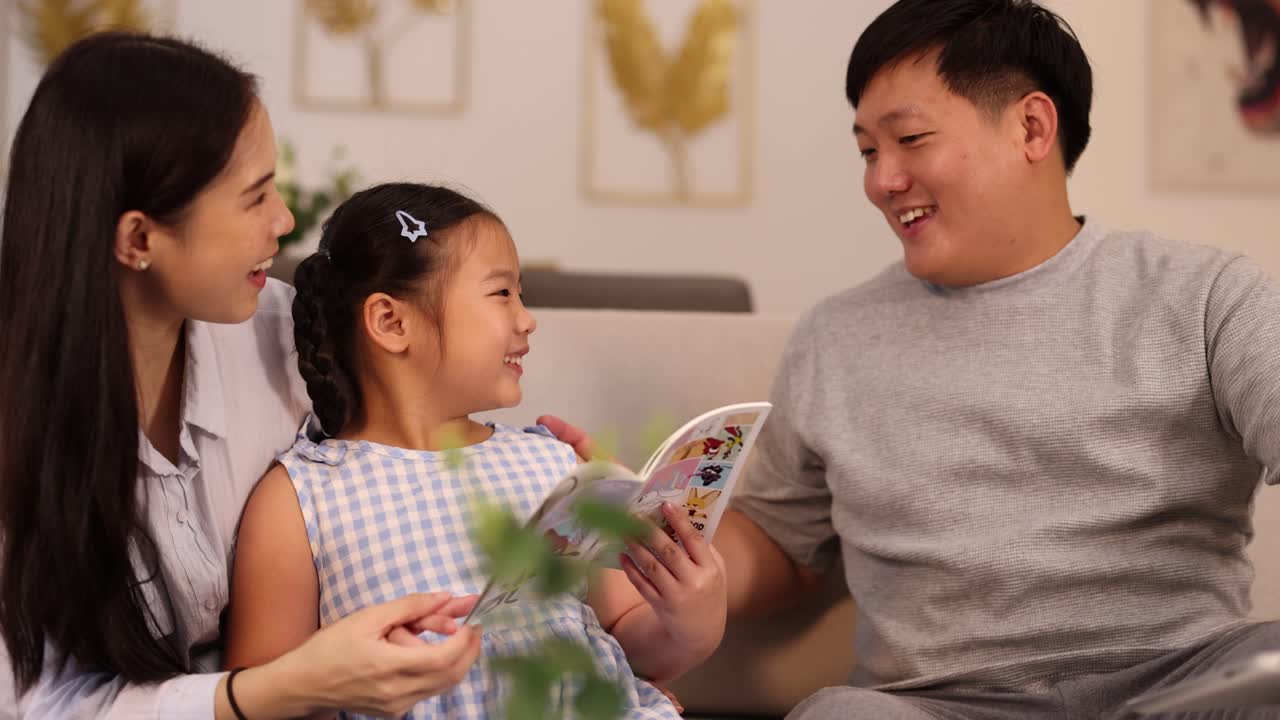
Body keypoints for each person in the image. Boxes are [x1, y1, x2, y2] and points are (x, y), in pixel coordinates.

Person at [543, 1, 1280, 717]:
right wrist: (651, 526)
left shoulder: (1207, 296)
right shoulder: (835, 338)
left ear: (1031, 126)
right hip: (935, 704)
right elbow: (784, 548)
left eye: (910, 140)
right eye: (868, 150)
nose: (880, 181)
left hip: (1181, 687)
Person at [0, 34, 483, 719]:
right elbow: (41, 705)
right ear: (138, 240)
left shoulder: (285, 333)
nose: (285, 223)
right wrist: (284, 687)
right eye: (254, 198)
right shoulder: (21, 429)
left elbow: (411, 445)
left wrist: (551, 483)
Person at [223, 182, 727, 718]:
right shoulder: (301, 499)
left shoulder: (554, 464)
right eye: (502, 293)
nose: (527, 318)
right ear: (392, 322)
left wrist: (692, 622)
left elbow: (628, 642)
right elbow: (267, 693)